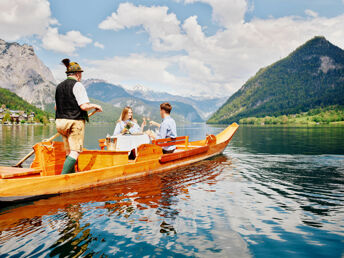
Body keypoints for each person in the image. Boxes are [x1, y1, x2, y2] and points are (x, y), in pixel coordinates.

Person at [55, 58, 102, 174]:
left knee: (69, 151)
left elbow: (56, 107)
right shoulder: (78, 85)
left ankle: (70, 177)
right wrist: (96, 106)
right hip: (74, 122)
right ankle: (62, 179)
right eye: (80, 73)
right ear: (77, 74)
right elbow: (84, 106)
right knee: (75, 151)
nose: (81, 76)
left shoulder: (59, 86)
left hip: (60, 122)